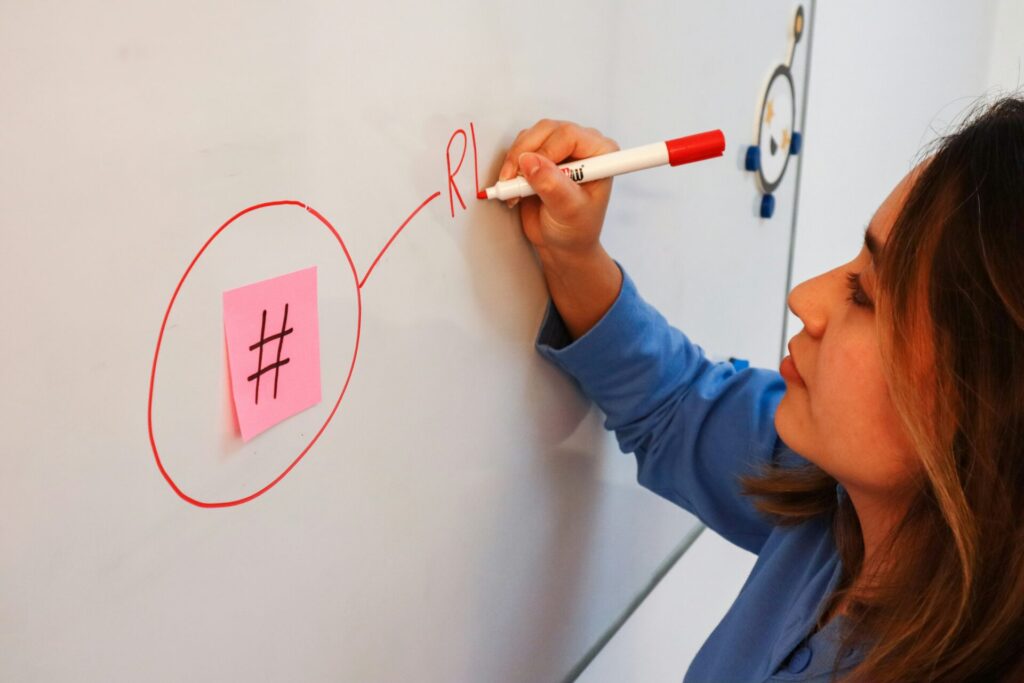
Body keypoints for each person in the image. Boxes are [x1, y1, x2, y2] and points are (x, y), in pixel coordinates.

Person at [500, 96, 1024, 682]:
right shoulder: (830, 495)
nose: (805, 297)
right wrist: (570, 253)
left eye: (867, 294)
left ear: (989, 402)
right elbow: (674, 403)